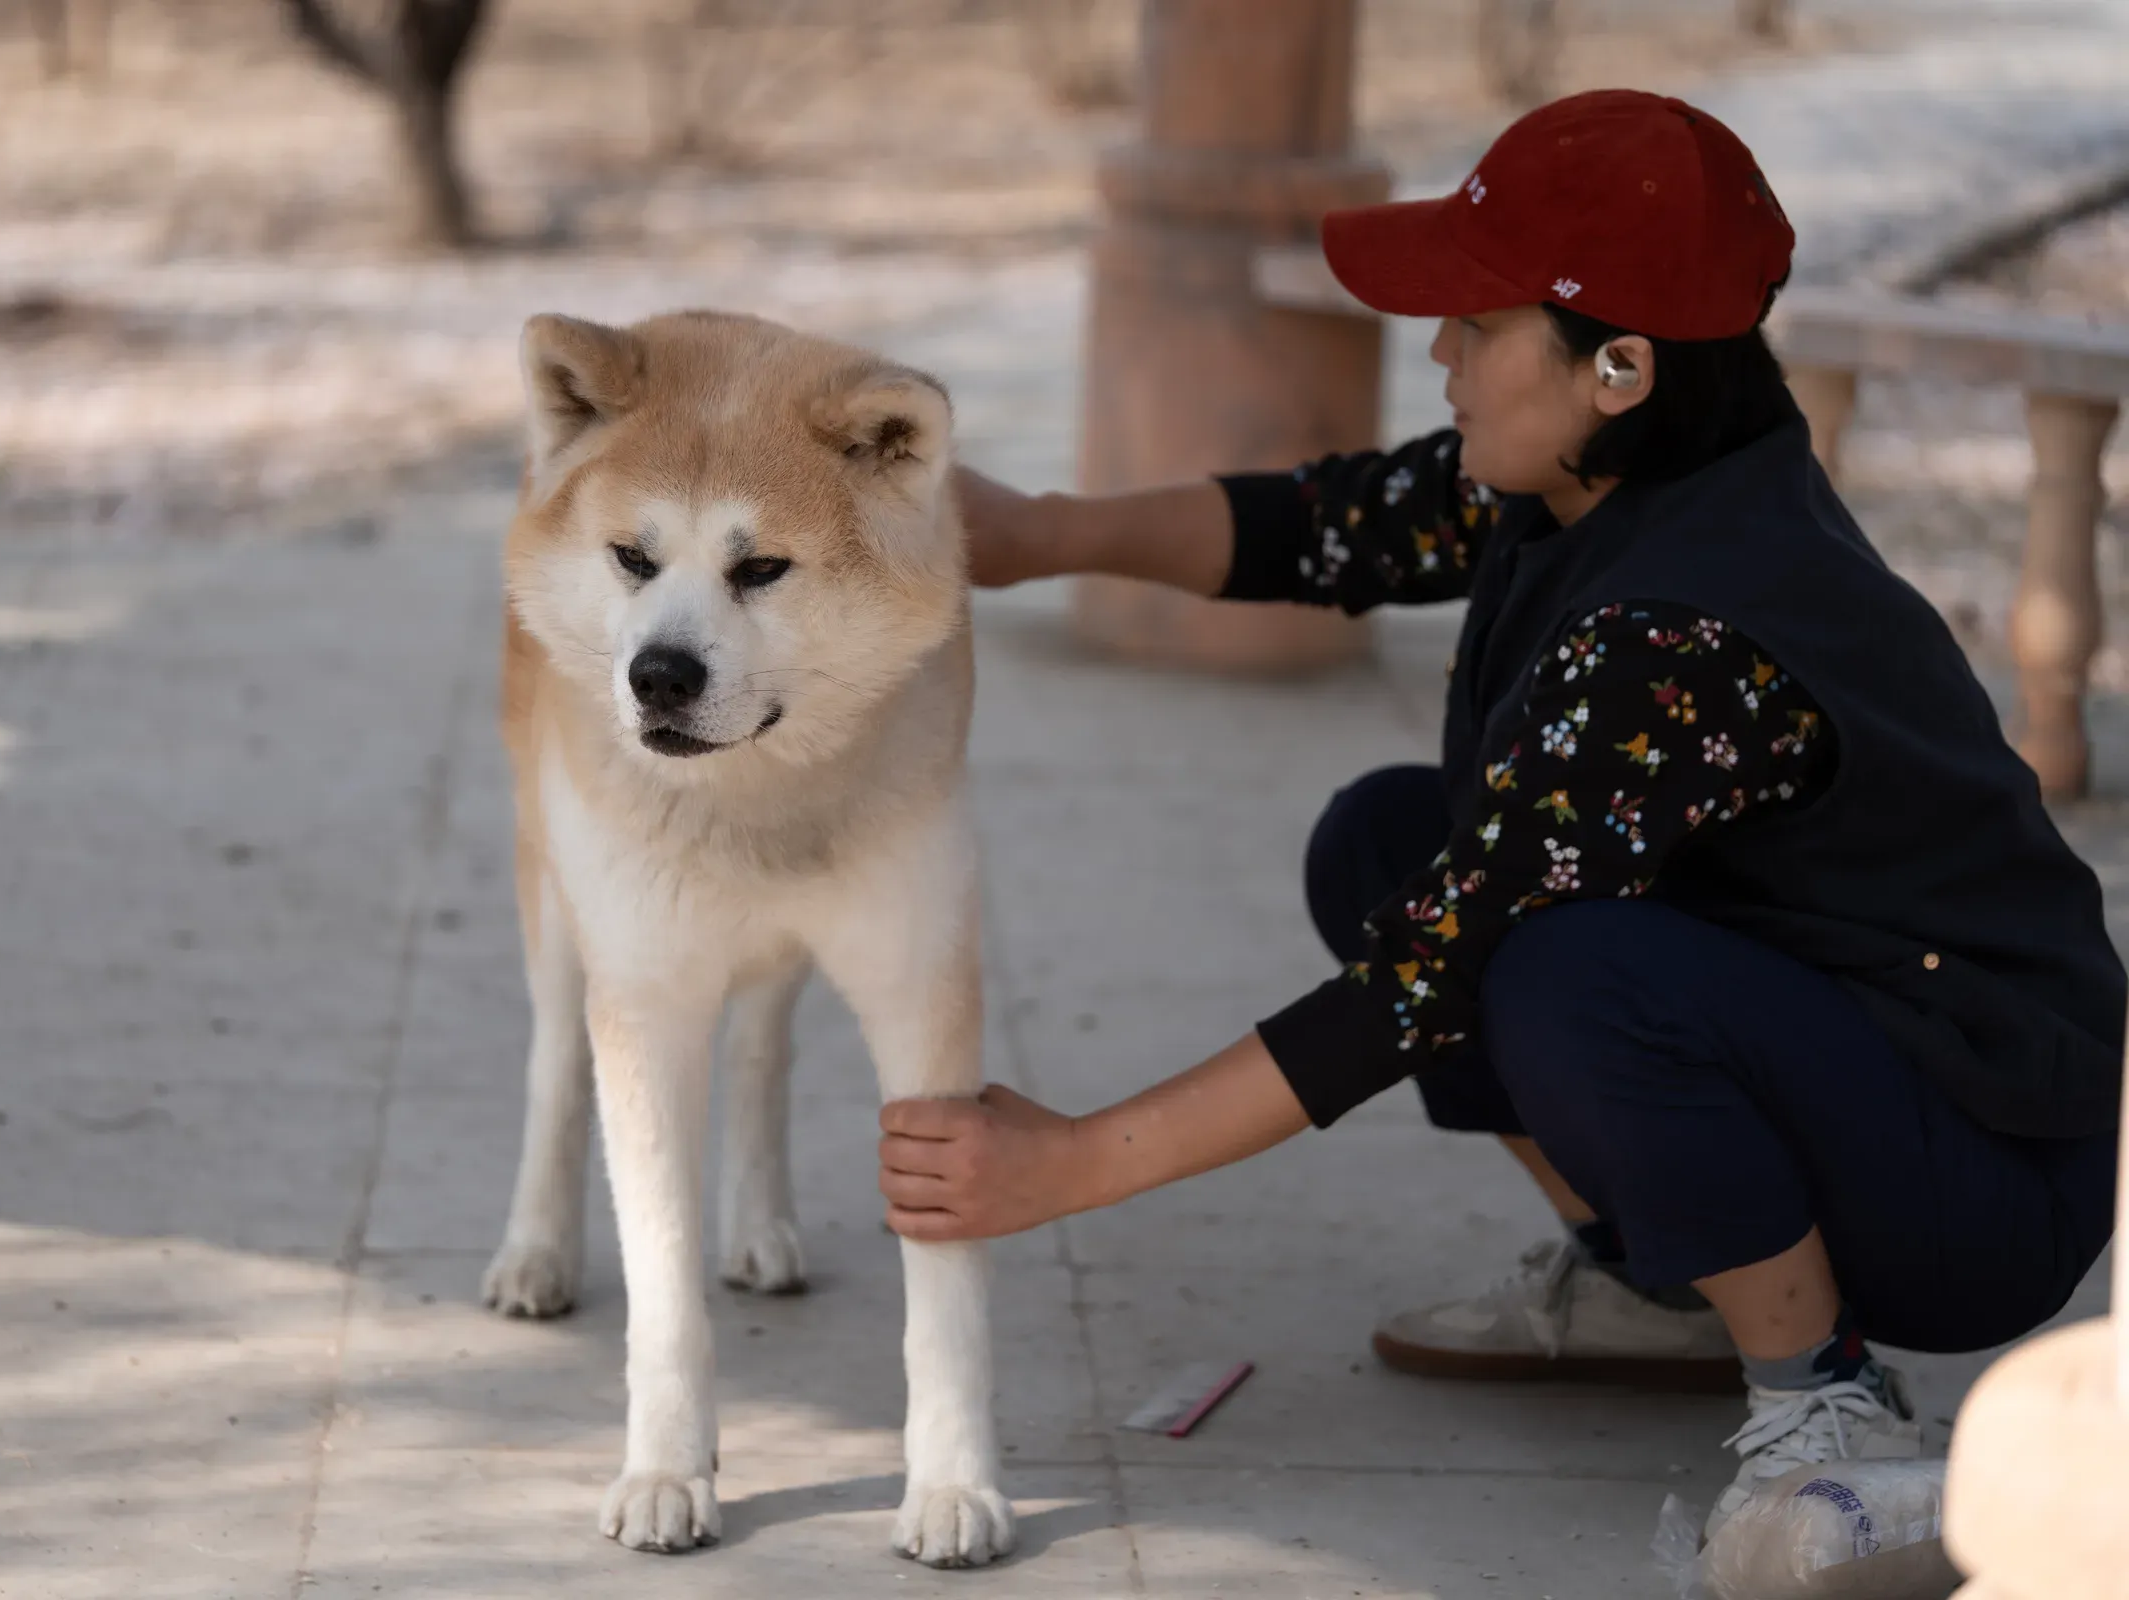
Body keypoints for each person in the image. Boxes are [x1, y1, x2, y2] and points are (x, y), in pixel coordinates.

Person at [876, 89, 2123, 1538]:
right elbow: (1332, 523)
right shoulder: (1604, 468)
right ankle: (1659, 1282)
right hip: (1849, 1043)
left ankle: (1820, 1389)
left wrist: (1075, 1162)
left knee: (1554, 968)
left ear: (1620, 368)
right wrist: (1034, 533)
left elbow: (1424, 978)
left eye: (1477, 320)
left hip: (1982, 1167)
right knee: (1387, 836)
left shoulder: (1685, 632)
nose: (1440, 352)